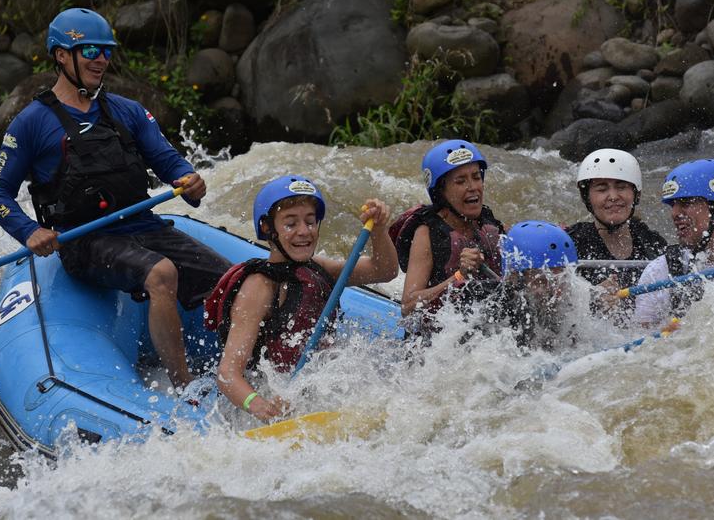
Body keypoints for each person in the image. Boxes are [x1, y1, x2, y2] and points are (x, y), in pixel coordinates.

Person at [0, 7, 228, 390]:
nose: (102, 60)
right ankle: (186, 386)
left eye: (107, 52)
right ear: (61, 55)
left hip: (144, 228)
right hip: (84, 241)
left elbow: (168, 159)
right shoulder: (31, 122)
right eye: (91, 52)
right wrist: (28, 231)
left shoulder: (126, 111)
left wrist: (188, 179)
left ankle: (246, 369)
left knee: (235, 278)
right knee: (161, 273)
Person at [204, 175, 397, 421]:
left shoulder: (315, 267)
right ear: (267, 228)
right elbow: (228, 374)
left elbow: (384, 270)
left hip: (313, 383)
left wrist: (379, 230)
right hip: (265, 394)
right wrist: (260, 406)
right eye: (290, 223)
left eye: (310, 221)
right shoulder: (259, 288)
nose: (304, 232)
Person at [393, 140, 505, 338]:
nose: (472, 187)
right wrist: (458, 277)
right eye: (460, 181)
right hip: (438, 342)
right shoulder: (427, 233)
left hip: (487, 334)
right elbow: (408, 306)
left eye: (476, 177)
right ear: (441, 192)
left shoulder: (490, 226)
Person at [632, 159, 714, 328]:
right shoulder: (660, 271)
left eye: (686, 203)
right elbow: (643, 344)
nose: (674, 213)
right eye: (673, 205)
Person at [565, 148, 667, 322]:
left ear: (636, 195)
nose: (613, 196)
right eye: (602, 189)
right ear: (587, 198)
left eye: (621, 187)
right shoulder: (570, 244)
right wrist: (589, 300)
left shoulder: (652, 243)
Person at [498, 220, 579, 351]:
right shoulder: (498, 323)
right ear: (514, 280)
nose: (556, 291)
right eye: (543, 281)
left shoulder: (576, 310)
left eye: (562, 279)